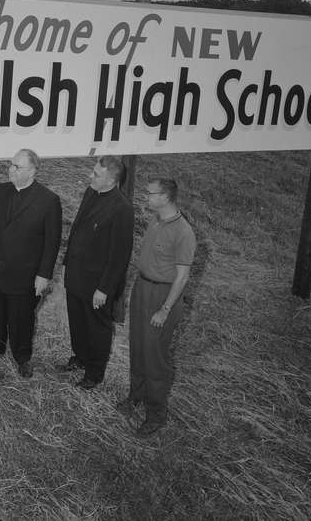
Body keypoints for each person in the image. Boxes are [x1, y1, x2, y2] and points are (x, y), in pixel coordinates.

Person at [0, 149, 62, 378]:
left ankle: (22, 357)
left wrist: (44, 275)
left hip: (24, 273)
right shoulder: (1, 190)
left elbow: (52, 243)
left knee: (21, 316)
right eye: (11, 164)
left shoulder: (48, 200)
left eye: (16, 167)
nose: (10, 169)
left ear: (32, 171)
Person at [119, 178, 196, 436]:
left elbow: (182, 277)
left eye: (150, 194)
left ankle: (156, 414)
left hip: (163, 296)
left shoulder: (183, 232)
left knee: (155, 357)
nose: (146, 198)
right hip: (143, 288)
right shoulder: (155, 220)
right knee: (138, 347)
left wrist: (164, 309)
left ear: (165, 197)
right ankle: (135, 396)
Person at [57, 156, 134, 389]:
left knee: (97, 328)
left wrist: (104, 288)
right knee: (77, 320)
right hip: (77, 274)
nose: (90, 176)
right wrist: (66, 262)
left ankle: (94, 373)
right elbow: (78, 229)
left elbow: (119, 255)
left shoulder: (122, 209)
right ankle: (80, 357)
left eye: (97, 174)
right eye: (93, 171)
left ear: (112, 179)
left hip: (97, 284)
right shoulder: (91, 192)